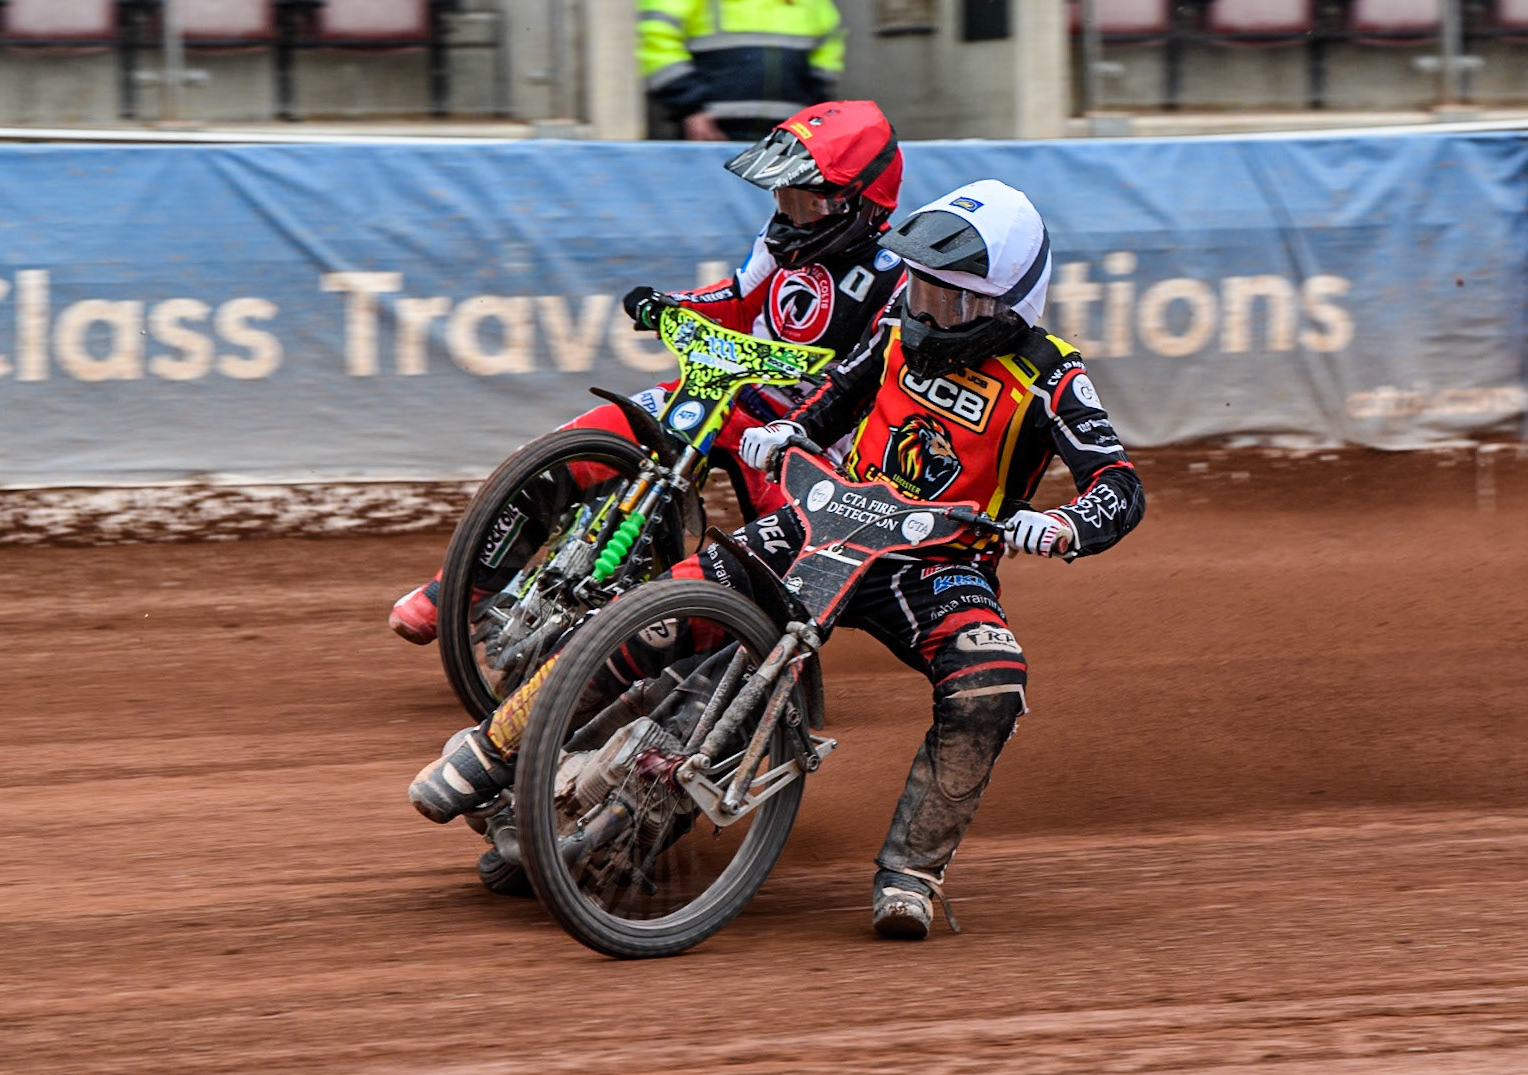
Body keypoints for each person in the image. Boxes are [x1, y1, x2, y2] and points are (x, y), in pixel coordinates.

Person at [409, 178, 1147, 940]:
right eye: (921, 288)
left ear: (1011, 304)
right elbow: (837, 389)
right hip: (823, 518)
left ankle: (911, 871)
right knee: (659, 609)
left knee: (991, 684)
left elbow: (1119, 486)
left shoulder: (1055, 375)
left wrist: (1063, 525)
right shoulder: (898, 326)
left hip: (936, 565)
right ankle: (494, 749)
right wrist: (789, 428)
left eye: (950, 300)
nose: (927, 310)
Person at [388, 99, 907, 645]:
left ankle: (663, 649)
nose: (787, 216)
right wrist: (672, 304)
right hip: (730, 396)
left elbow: (867, 380)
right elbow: (736, 298)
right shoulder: (780, 242)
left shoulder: (897, 278)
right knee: (573, 448)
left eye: (804, 202)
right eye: (783, 198)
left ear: (863, 202)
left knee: (764, 583)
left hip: (814, 448)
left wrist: (801, 432)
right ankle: (456, 590)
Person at [639, 0, 844, 142]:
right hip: (711, 135)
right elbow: (656, 43)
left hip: (788, 139)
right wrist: (691, 109)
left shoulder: (815, 4)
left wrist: (813, 118)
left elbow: (827, 55)